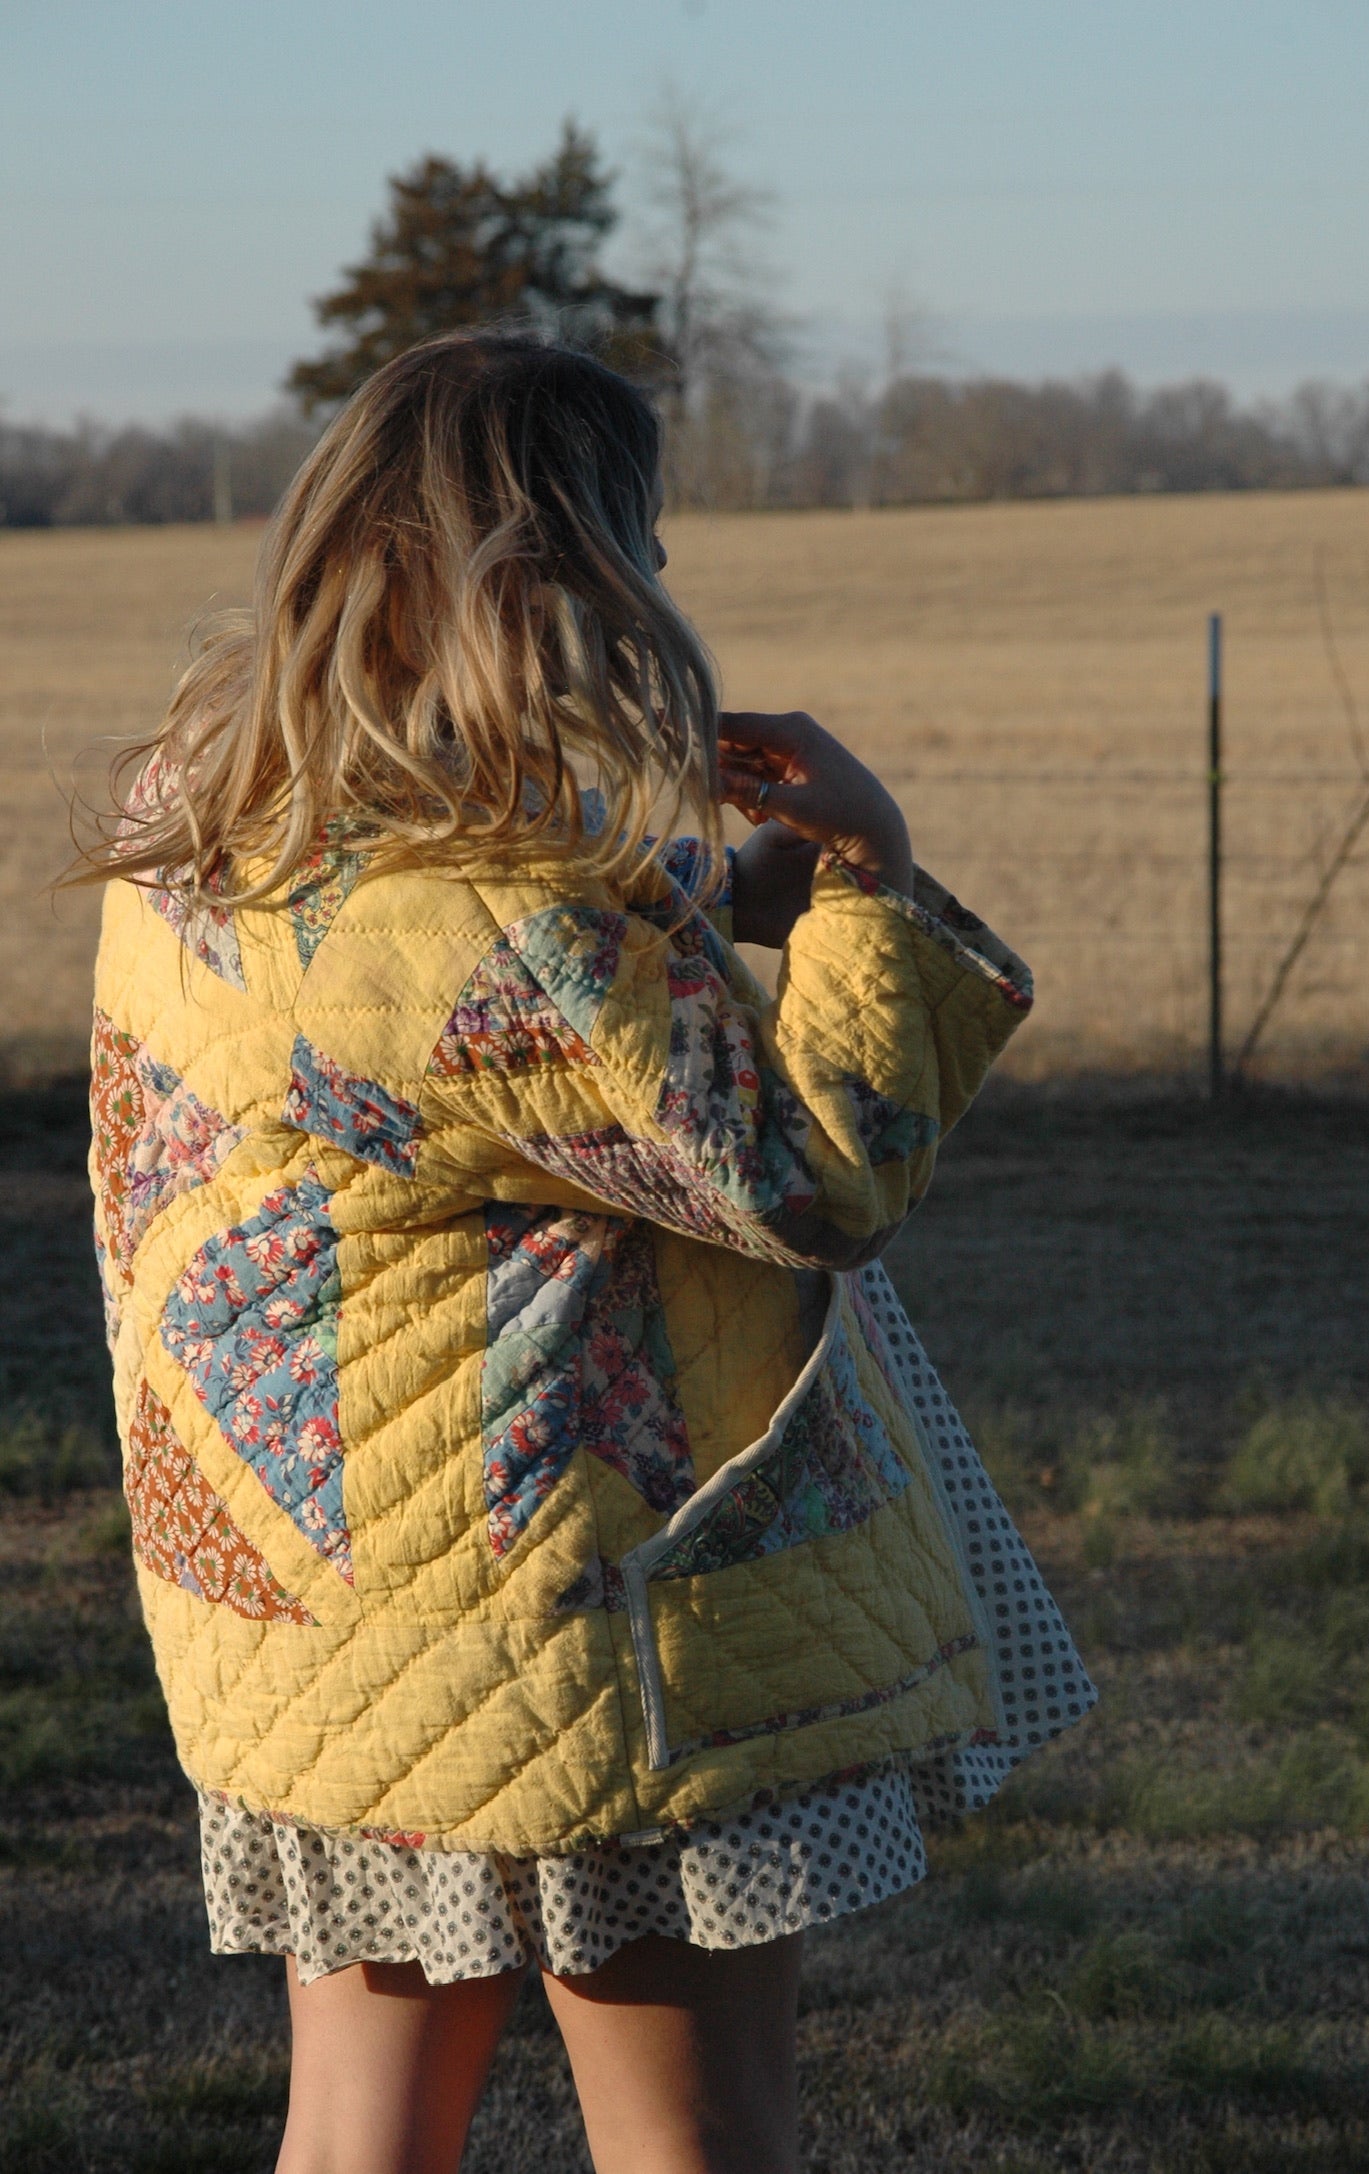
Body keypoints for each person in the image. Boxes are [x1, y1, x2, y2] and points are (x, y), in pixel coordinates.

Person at [82, 331, 1094, 2174]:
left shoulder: (211, 808)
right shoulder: (501, 917)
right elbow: (810, 1175)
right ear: (555, 569)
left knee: (359, 2137)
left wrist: (703, 899)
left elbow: (415, 1016)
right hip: (573, 1618)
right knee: (693, 2142)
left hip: (324, 1622)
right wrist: (865, 867)